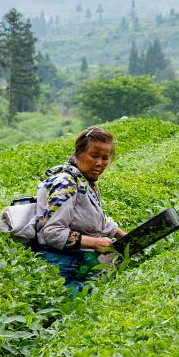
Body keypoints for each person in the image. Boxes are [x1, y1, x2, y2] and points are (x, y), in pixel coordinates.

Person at [35, 126, 126, 296]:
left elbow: (94, 217)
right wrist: (95, 243)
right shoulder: (65, 183)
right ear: (79, 153)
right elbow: (52, 232)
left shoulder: (85, 181)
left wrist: (123, 236)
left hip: (79, 260)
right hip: (62, 266)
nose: (99, 163)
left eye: (105, 158)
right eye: (94, 156)